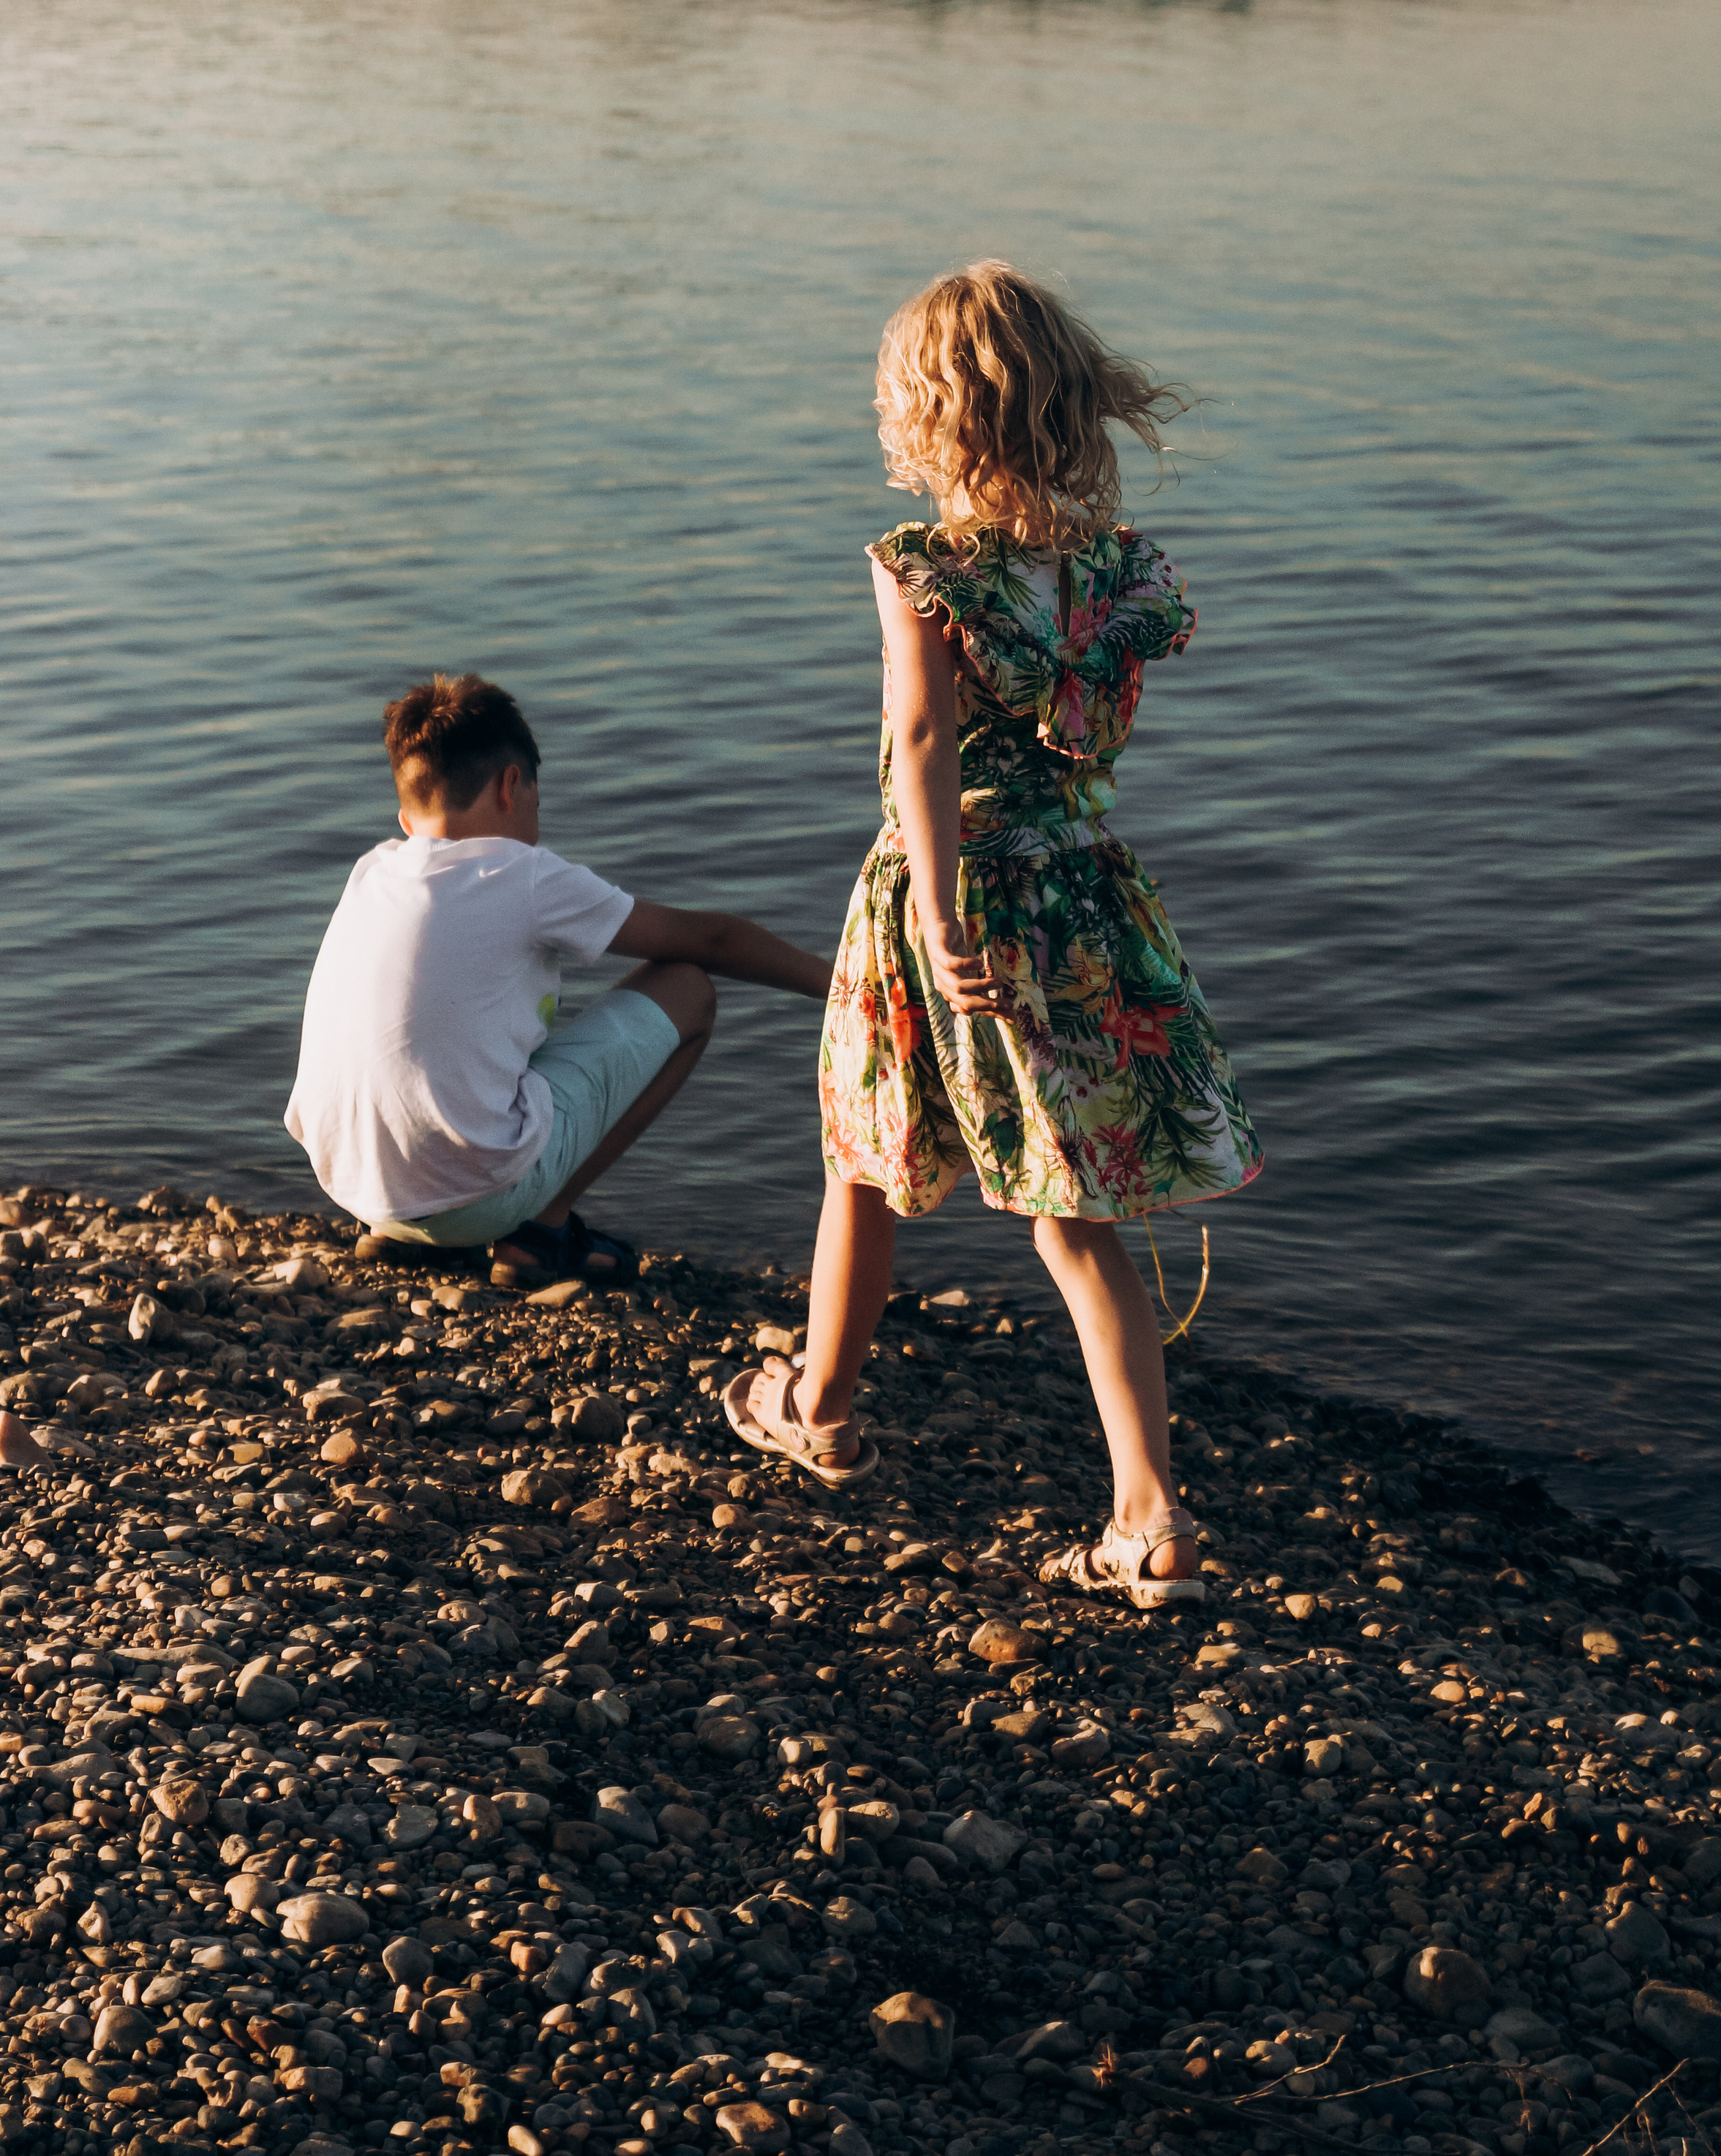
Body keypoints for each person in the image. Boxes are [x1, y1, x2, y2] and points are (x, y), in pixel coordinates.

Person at [726, 262, 1261, 1608]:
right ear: (1071, 405)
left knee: (866, 1153)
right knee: (1071, 1212)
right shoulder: (1117, 574)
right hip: (1084, 896)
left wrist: (939, 902)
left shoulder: (928, 571)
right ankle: (1148, 1515)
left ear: (930, 416)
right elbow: (1080, 735)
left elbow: (922, 735)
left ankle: (819, 1409)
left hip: (947, 894)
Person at [286, 673, 832, 1286]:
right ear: (510, 786)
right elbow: (712, 942)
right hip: (474, 1202)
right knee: (689, 989)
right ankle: (539, 1234)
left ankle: (405, 1233)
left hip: (355, 1188)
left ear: (406, 820)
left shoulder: (373, 871)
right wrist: (842, 985)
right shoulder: (520, 874)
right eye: (537, 805)